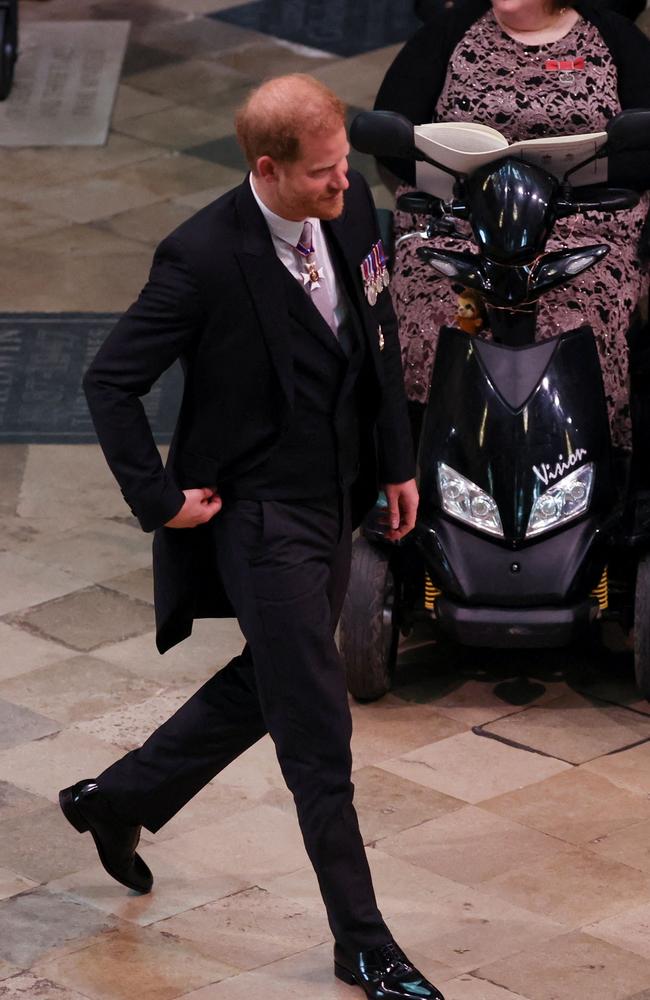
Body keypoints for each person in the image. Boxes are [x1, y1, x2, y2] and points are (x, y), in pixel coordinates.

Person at [57, 74, 444, 1000]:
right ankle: (363, 941)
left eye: (346, 164)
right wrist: (159, 498)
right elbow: (109, 381)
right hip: (262, 516)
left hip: (336, 498)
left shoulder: (353, 219)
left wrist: (395, 464)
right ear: (266, 170)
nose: (344, 186)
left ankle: (119, 799)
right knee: (317, 729)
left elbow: (380, 344)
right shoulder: (199, 257)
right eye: (322, 174)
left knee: (272, 681)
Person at [376, 0, 650, 450]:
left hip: (579, 227)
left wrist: (570, 180)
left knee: (577, 328)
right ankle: (427, 465)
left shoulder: (613, 37)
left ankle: (579, 463)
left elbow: (644, 149)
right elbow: (394, 134)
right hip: (461, 225)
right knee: (436, 323)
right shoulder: (450, 32)